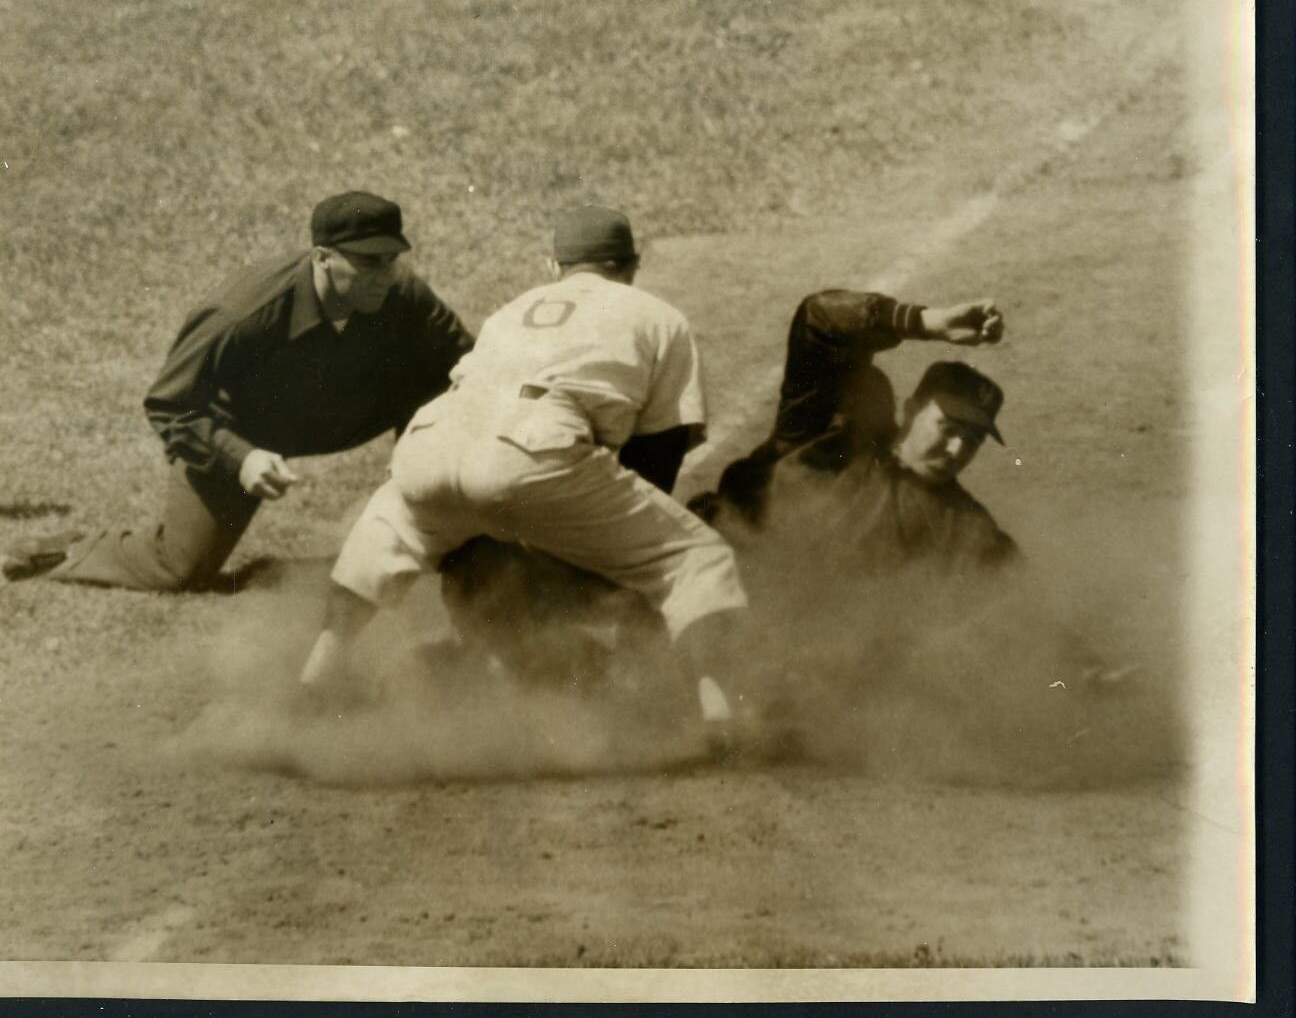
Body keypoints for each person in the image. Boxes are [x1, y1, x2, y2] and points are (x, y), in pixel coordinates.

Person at [298, 205, 749, 720]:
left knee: (384, 537)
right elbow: (657, 461)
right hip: (535, 447)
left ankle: (312, 684)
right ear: (631, 265)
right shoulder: (658, 316)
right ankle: (721, 717)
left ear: (553, 266)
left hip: (433, 437)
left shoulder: (509, 310)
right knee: (697, 557)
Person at [1, 191, 475, 591]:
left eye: (392, 259)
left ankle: (451, 538)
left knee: (444, 389)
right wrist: (241, 457)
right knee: (179, 567)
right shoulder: (242, 311)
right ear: (322, 258)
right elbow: (170, 403)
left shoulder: (402, 293)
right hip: (249, 429)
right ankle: (66, 551)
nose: (385, 275)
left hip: (355, 409)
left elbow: (468, 362)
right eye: (368, 262)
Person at [690, 288, 1016, 572]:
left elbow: (1021, 604)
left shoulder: (964, 527)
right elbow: (819, 317)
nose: (957, 450)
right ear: (911, 409)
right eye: (949, 428)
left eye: (972, 440)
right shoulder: (830, 436)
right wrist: (928, 322)